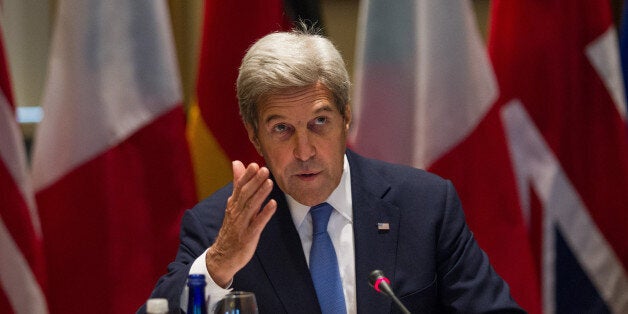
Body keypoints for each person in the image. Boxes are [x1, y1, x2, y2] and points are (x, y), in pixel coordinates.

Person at [139, 26, 524, 313]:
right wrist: (220, 262)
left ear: (346, 118)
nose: (304, 150)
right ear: (255, 138)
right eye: (281, 129)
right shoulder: (217, 226)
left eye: (319, 122)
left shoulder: (424, 207)